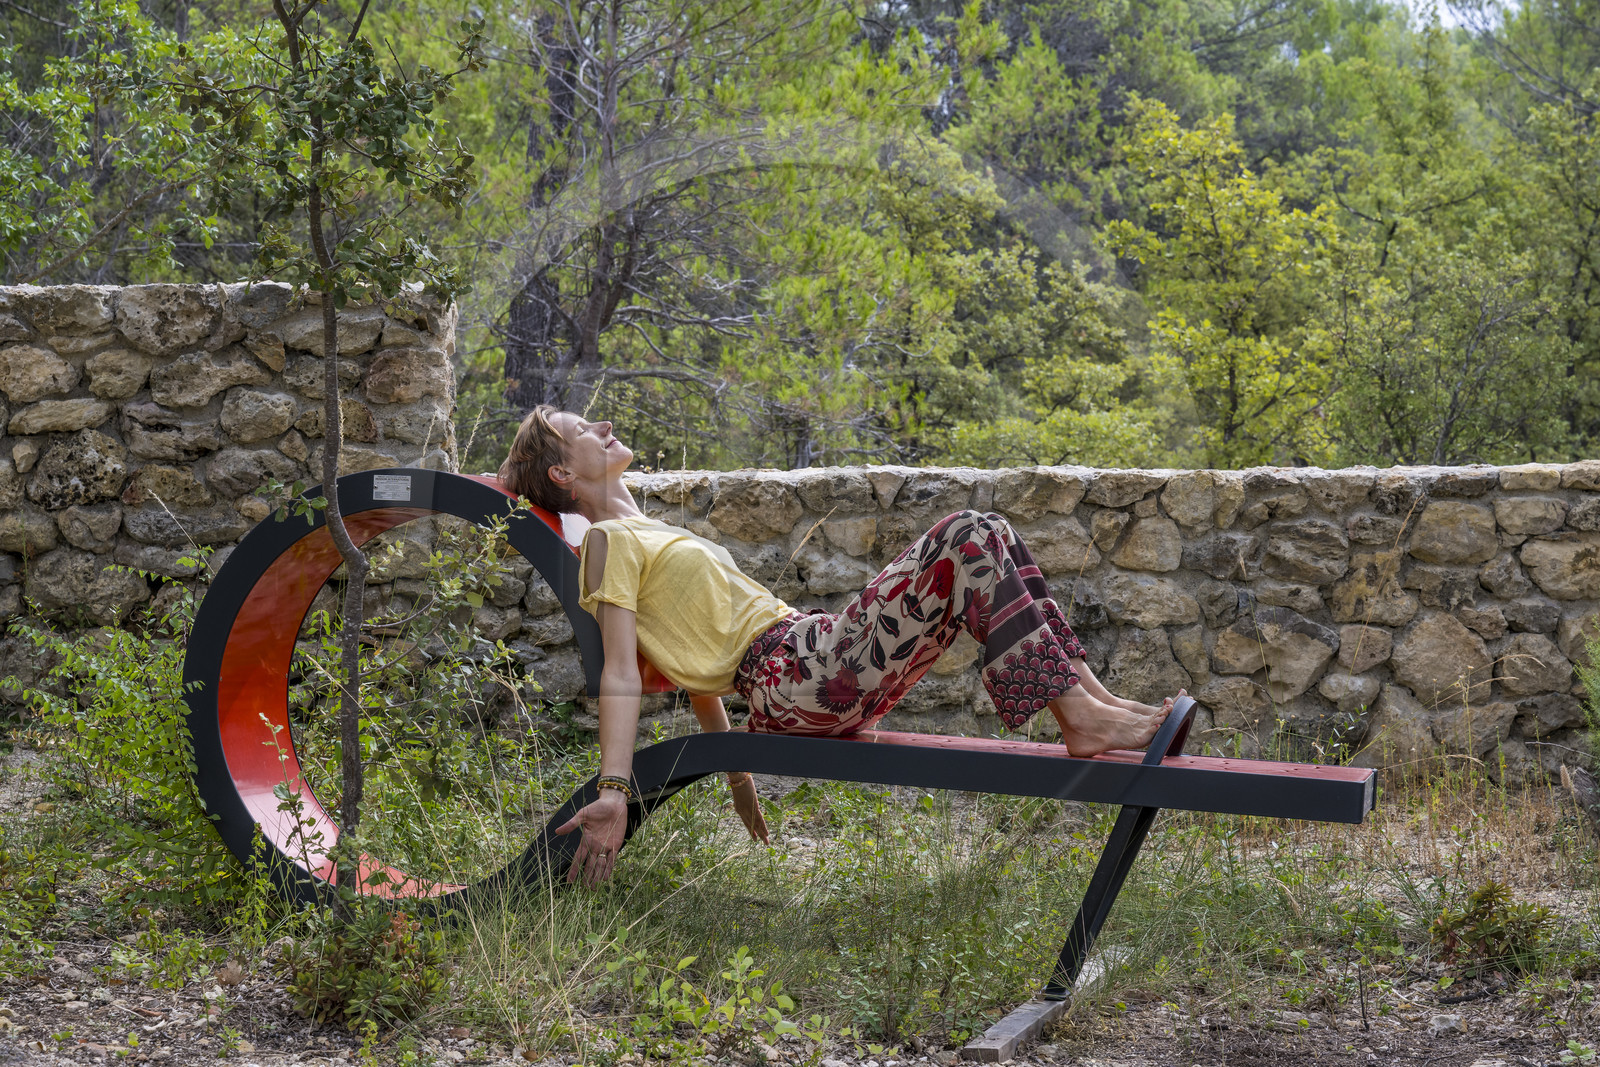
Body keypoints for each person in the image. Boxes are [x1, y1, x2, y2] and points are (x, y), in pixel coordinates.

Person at [499, 407, 1176, 887]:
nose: (604, 426)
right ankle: (1082, 718)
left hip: (809, 662)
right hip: (797, 672)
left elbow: (695, 665)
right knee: (967, 531)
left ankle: (1094, 704)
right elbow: (621, 669)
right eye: (583, 429)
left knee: (988, 530)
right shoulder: (608, 543)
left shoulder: (642, 528)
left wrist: (739, 783)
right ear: (561, 473)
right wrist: (616, 789)